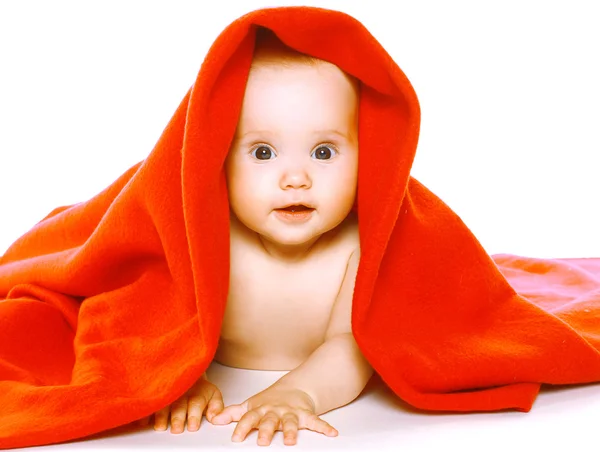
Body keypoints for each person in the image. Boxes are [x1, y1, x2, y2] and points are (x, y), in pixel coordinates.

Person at [138, 28, 374, 446]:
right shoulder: (206, 235)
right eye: (263, 152)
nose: (296, 178)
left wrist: (299, 392)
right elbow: (159, 315)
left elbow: (353, 345)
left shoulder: (359, 247)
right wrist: (182, 375)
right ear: (220, 157)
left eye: (324, 152)